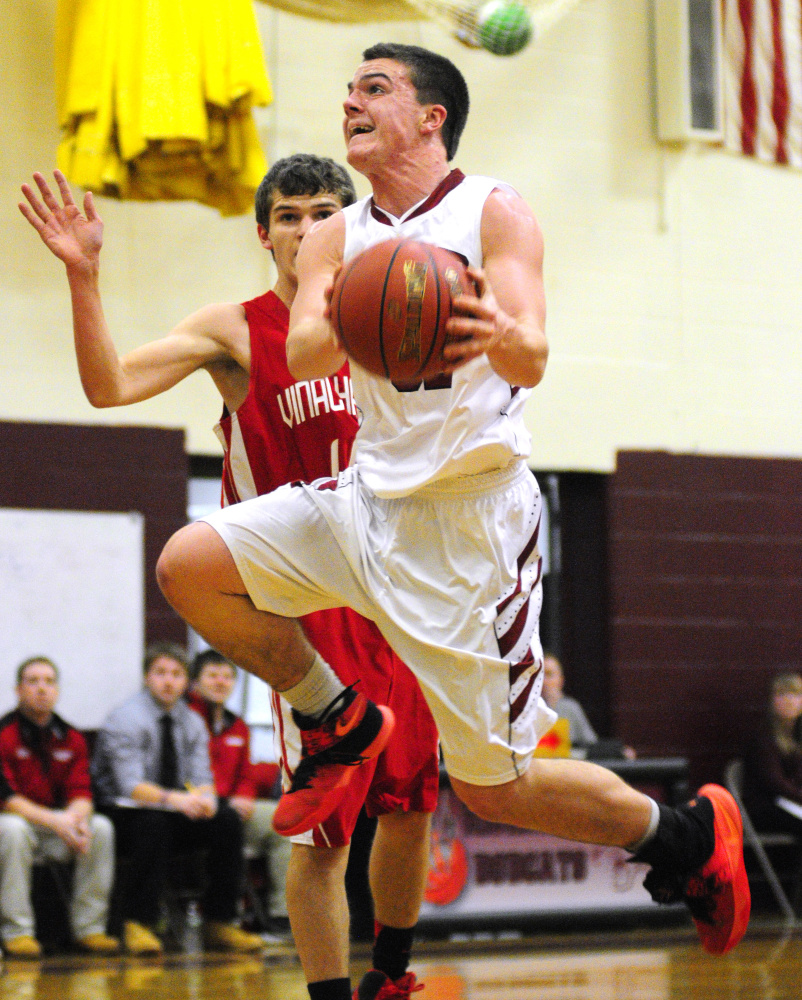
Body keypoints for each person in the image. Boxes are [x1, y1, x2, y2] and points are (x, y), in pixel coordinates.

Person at [153, 41, 751, 965]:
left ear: (430, 117)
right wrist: (363, 304)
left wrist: (490, 328)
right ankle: (334, 714)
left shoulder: (493, 210)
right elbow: (307, 349)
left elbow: (533, 358)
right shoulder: (334, 234)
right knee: (189, 565)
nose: (349, 99)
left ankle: (682, 841)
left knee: (496, 789)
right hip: (364, 499)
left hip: (470, 523)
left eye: (375, 88)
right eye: (348, 87)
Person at [20, 154, 440, 1000]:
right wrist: (85, 277)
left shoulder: (386, 314)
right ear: (264, 233)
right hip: (308, 610)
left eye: (326, 211)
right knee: (320, 836)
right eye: (289, 214)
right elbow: (107, 387)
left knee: (412, 802)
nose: (308, 227)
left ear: (352, 226)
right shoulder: (239, 329)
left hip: (401, 592)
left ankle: (391, 977)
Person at [91, 642, 264, 955]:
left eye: (176, 674)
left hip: (171, 810)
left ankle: (220, 920)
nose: (169, 681)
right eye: (161, 673)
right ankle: (138, 923)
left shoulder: (192, 721)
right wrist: (178, 800)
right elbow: (129, 786)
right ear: (147, 677)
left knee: (225, 820)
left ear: (187, 682)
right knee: (152, 823)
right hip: (121, 813)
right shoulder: (125, 718)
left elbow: (201, 778)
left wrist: (208, 798)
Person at [0, 657, 118, 958]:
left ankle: (90, 929)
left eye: (49, 681)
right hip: (15, 824)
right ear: (18, 689)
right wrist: (57, 821)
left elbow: (82, 792)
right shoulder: (3, 734)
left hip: (56, 828)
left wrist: (75, 820)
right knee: (12, 830)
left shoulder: (72, 736)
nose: (42, 689)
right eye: (33, 681)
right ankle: (17, 932)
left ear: (57, 690)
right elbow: (7, 799)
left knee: (100, 828)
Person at [187, 648, 292, 936]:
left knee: (287, 822)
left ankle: (280, 916)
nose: (221, 682)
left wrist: (244, 796)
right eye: (212, 675)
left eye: (227, 676)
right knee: (225, 820)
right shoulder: (186, 721)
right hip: (199, 808)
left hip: (235, 808)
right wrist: (223, 801)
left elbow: (245, 773)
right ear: (195, 682)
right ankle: (223, 919)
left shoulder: (238, 725)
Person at [541, 652, 636, 760]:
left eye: (549, 675)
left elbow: (591, 744)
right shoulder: (525, 708)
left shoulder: (570, 707)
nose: (544, 681)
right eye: (539, 676)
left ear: (561, 680)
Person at [742, 672, 802, 837]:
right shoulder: (763, 736)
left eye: (795, 694)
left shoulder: (798, 735)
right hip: (766, 807)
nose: (789, 700)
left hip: (793, 804)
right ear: (772, 700)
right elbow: (774, 782)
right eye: (782, 694)